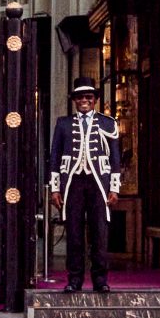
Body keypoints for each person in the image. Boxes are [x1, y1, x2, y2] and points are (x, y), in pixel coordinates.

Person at [48, 78, 121, 293]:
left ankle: (100, 280)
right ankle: (74, 280)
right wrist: (55, 188)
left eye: (88, 97)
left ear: (95, 100)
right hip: (73, 182)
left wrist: (114, 188)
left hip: (99, 182)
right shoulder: (63, 123)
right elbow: (54, 156)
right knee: (74, 233)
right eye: (80, 97)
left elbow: (115, 157)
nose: (84, 101)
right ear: (74, 101)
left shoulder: (108, 123)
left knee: (100, 232)